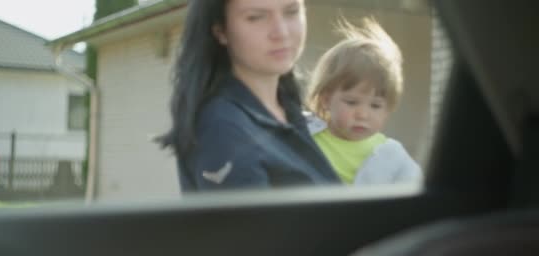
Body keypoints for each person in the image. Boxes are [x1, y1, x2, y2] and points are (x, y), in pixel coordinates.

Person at [157, 0, 339, 191]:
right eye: (256, 17)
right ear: (220, 31)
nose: (281, 32)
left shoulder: (288, 107)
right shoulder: (222, 128)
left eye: (291, 12)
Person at [306, 17, 422, 185]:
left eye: (375, 105)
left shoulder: (392, 155)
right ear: (326, 100)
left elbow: (416, 191)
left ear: (388, 109)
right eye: (352, 102)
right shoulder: (306, 136)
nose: (363, 114)